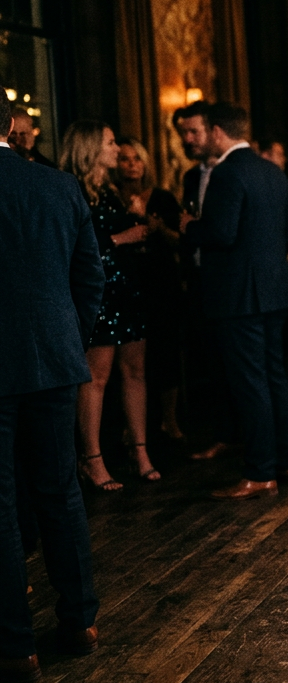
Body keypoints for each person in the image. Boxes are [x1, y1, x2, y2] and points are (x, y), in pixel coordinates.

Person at [0, 93, 106, 683]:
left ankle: (16, 646)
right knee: (59, 491)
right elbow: (89, 276)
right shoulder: (58, 187)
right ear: (10, 126)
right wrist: (68, 336)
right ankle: (80, 621)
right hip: (52, 359)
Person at [180, 103, 288, 501]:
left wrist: (188, 227)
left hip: (239, 295)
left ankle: (261, 472)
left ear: (216, 131)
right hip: (276, 289)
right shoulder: (273, 171)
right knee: (275, 378)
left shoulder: (227, 173)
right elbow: (287, 233)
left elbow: (222, 233)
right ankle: (285, 461)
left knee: (251, 383)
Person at [61, 121, 159, 490]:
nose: (118, 149)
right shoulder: (72, 189)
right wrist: (122, 237)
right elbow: (73, 248)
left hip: (127, 289)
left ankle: (140, 451)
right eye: (111, 142)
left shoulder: (112, 191)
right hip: (98, 293)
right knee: (96, 377)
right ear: (90, 148)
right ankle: (91, 459)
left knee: (135, 371)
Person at [173, 101, 234, 461]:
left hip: (229, 281)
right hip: (199, 278)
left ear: (212, 130)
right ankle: (223, 433)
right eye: (183, 134)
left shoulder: (234, 171)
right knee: (211, 360)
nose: (189, 139)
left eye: (194, 131)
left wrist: (192, 229)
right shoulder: (191, 177)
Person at [115, 138, 185, 442]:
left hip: (161, 282)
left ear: (145, 163)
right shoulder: (109, 197)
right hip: (127, 282)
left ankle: (169, 420)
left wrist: (156, 227)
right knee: (129, 358)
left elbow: (181, 240)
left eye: (137, 158)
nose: (131, 164)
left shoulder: (162, 198)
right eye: (125, 158)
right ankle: (132, 425)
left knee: (166, 351)